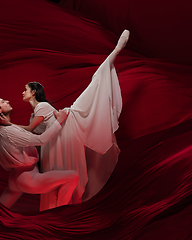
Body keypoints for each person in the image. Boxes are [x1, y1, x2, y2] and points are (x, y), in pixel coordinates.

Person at [15, 30, 130, 210]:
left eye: (25, 89)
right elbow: (36, 134)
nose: (23, 92)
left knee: (95, 86)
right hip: (57, 142)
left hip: (68, 128)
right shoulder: (37, 112)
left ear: (34, 92)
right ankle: (62, 209)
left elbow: (30, 130)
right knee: (59, 181)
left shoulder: (42, 107)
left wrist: (6, 125)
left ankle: (115, 52)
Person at [0, 96, 79, 209]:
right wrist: (59, 120)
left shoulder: (2, 132)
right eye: (3, 102)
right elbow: (41, 140)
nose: (7, 101)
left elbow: (17, 134)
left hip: (15, 177)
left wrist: (8, 123)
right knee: (73, 176)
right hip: (28, 178)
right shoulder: (9, 132)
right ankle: (60, 215)